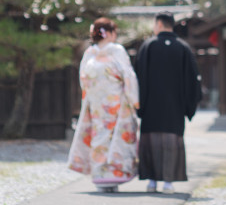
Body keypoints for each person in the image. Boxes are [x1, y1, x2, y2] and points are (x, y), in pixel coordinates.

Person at [67, 17, 139, 193]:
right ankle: (113, 176)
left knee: (99, 136)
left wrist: (90, 97)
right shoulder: (117, 51)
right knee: (114, 137)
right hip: (115, 103)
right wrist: (133, 99)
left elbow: (83, 80)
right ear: (110, 33)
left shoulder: (89, 54)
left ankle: (100, 177)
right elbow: (128, 76)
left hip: (96, 104)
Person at [135, 12, 202, 194]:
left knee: (151, 141)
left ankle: (151, 181)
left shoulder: (148, 46)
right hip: (175, 108)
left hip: (151, 108)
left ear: (158, 24)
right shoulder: (183, 48)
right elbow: (193, 81)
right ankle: (168, 183)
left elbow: (139, 78)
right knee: (171, 142)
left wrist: (138, 105)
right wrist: (189, 106)